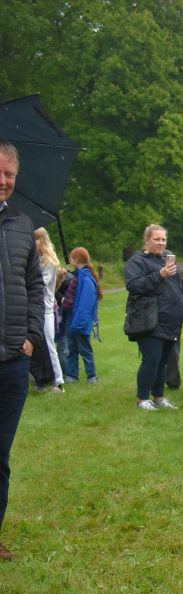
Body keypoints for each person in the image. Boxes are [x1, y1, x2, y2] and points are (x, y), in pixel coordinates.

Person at [0, 140, 44, 560]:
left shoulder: (21, 225)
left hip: (13, 358)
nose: (3, 181)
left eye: (9, 174)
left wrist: (30, 336)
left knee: (1, 455)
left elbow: (34, 286)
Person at [124, 224, 183, 410]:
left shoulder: (167, 260)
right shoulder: (137, 262)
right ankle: (142, 398)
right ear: (147, 240)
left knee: (163, 362)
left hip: (171, 321)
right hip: (149, 320)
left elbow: (178, 287)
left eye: (163, 239)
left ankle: (159, 397)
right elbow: (134, 285)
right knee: (152, 359)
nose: (161, 243)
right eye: (156, 239)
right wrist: (159, 275)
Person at [60, 247, 101, 384]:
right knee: (72, 349)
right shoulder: (78, 276)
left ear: (76, 259)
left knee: (85, 349)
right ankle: (71, 376)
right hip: (72, 317)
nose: (70, 260)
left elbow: (86, 304)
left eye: (71, 258)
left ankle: (92, 376)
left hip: (79, 319)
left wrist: (79, 322)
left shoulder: (86, 279)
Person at [33, 227, 65, 392]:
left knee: (49, 344)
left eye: (36, 239)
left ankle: (58, 382)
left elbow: (40, 285)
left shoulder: (49, 263)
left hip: (45, 309)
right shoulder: (35, 260)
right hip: (33, 308)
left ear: (43, 240)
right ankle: (41, 378)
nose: (33, 242)